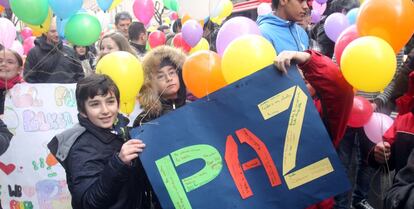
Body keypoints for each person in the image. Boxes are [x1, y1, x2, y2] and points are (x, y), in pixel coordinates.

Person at [47, 74, 160, 209]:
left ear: (118, 103)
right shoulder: (81, 148)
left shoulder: (123, 131)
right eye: (95, 104)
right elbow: (89, 203)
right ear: (83, 111)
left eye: (110, 101)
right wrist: (119, 163)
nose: (105, 110)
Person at [275, 50, 354, 209]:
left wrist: (308, 60)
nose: (297, 84)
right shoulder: (267, 110)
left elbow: (340, 90)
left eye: (305, 81)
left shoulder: (322, 113)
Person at [133, 45, 187, 127]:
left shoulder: (192, 108)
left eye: (172, 72)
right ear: (150, 84)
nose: (169, 78)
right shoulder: (145, 120)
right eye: (160, 76)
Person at [23, 18, 84, 83]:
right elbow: (29, 78)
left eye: (58, 31)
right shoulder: (34, 53)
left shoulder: (70, 51)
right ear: (45, 32)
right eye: (53, 31)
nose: (57, 34)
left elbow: (80, 75)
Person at [0, 49, 24, 114]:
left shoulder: (25, 91)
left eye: (10, 62)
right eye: (0, 61)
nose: (3, 64)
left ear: (19, 69)